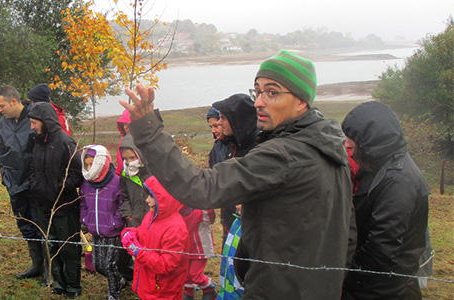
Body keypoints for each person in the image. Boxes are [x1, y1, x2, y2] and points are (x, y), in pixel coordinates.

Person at [119, 50, 355, 299]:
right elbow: (347, 234)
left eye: (272, 92)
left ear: (301, 101)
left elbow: (202, 187)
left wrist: (148, 130)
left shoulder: (284, 154)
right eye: (257, 91)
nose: (258, 102)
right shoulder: (331, 147)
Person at [341, 101, 429, 300]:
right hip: (379, 285)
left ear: (371, 139)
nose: (347, 144)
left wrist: (351, 278)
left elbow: (382, 246)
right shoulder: (381, 167)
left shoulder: (398, 181)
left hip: (384, 290)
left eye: (352, 138)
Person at [28, 102, 83, 299]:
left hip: (64, 206)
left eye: (34, 122)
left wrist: (60, 188)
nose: (32, 127)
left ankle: (73, 286)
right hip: (43, 205)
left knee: (69, 247)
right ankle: (59, 282)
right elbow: (33, 167)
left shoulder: (65, 141)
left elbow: (78, 172)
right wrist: (35, 186)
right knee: (50, 245)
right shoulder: (37, 141)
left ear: (45, 121)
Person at [0, 85, 44, 279]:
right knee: (25, 223)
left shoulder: (34, 116)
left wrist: (37, 177)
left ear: (14, 101)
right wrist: (5, 175)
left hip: (34, 182)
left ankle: (49, 268)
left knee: (40, 223)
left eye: (1, 105)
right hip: (13, 182)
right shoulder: (3, 123)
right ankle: (36, 265)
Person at [121, 176, 189, 300]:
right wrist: (130, 233)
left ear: (165, 197)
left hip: (163, 291)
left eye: (152, 196)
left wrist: (138, 252)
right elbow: (144, 233)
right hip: (148, 284)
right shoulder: (152, 215)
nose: (147, 200)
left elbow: (166, 265)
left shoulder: (176, 228)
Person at [79, 145, 125, 300]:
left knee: (109, 264)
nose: (89, 168)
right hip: (95, 230)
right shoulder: (86, 184)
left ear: (102, 163)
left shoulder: (116, 182)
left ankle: (113, 294)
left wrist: (116, 222)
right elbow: (83, 204)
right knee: (98, 265)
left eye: (92, 164)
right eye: (86, 165)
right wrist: (85, 219)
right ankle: (119, 280)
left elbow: (122, 204)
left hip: (112, 231)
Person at [208, 94, 258, 233]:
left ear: (237, 120)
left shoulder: (259, 148)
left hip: (253, 230)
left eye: (223, 118)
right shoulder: (229, 144)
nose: (220, 122)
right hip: (230, 224)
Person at [180, 207, 217, 300]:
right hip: (186, 245)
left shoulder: (201, 208)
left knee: (195, 274)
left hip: (200, 247)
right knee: (186, 272)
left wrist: (208, 205)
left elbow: (210, 219)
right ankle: (189, 292)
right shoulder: (179, 207)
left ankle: (210, 290)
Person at [118, 134, 152, 228]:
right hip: (134, 222)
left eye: (132, 158)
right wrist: (129, 216)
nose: (129, 162)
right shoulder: (125, 173)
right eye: (125, 159)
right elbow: (125, 197)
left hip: (153, 220)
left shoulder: (152, 172)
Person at [115, 110, 132, 175]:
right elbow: (120, 166)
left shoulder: (147, 142)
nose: (125, 127)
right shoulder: (123, 142)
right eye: (123, 124)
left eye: (127, 124)